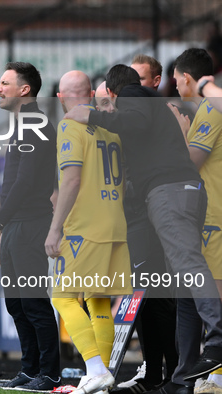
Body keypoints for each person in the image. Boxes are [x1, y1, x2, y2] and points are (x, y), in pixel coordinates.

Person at [65, 64, 222, 394]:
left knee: (189, 268)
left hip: (169, 193)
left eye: (105, 99)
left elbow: (133, 122)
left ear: (111, 91)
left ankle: (219, 340)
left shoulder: (134, 96)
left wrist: (91, 117)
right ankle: (182, 380)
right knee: (182, 286)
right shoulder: (153, 105)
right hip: (178, 192)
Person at [0, 62, 61, 390]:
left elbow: (25, 182)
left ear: (24, 90)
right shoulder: (24, 122)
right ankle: (30, 368)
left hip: (31, 224)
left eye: (4, 83)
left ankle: (50, 372)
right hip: (15, 227)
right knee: (16, 303)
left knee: (33, 301)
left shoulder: (35, 122)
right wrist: (3, 231)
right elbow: (13, 185)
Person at [46, 71, 132, 394]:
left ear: (60, 97)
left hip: (84, 228)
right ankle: (103, 375)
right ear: (92, 92)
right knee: (98, 301)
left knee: (63, 297)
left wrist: (55, 229)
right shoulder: (112, 127)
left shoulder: (70, 125)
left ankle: (95, 368)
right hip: (115, 223)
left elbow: (71, 180)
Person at [110, 55, 178, 394]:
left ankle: (176, 371)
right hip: (139, 210)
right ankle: (156, 370)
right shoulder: (141, 107)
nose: (133, 87)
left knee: (161, 295)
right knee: (147, 295)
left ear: (154, 82)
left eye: (139, 79)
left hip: (155, 209)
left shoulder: (153, 107)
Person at [174, 48, 222, 394]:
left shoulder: (209, 109)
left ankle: (217, 375)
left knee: (215, 296)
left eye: (176, 79)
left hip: (214, 216)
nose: (175, 86)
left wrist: (179, 133)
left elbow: (191, 162)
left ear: (188, 78)